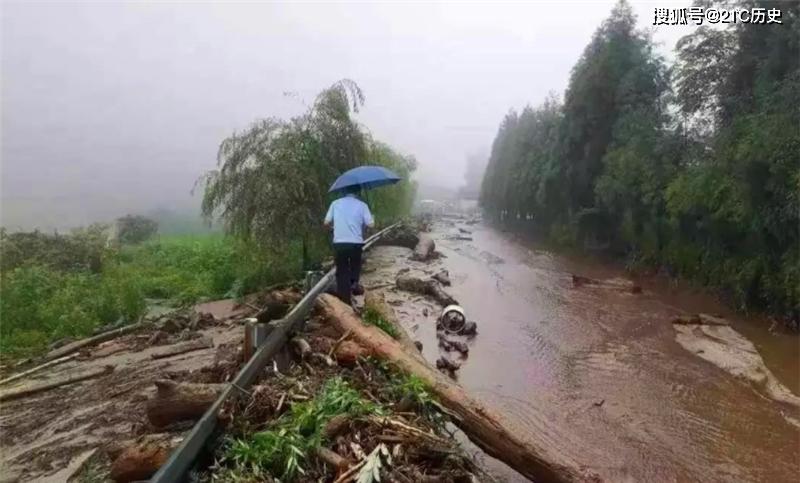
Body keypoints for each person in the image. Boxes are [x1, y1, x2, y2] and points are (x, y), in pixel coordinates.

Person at [324, 185, 374, 304]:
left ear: (344, 191)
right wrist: (371, 218)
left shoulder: (335, 203)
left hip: (340, 242)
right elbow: (371, 225)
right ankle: (354, 284)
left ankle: (344, 300)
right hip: (356, 243)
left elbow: (326, 223)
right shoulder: (363, 205)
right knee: (355, 265)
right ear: (358, 192)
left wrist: (332, 229)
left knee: (342, 270)